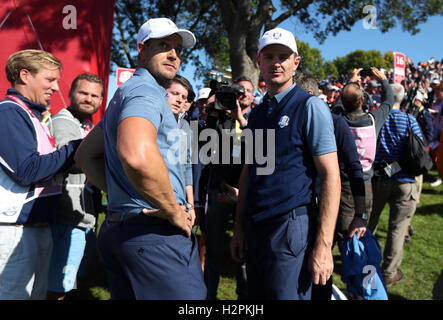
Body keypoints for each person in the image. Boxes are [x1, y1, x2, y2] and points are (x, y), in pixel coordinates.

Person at [75, 17, 206, 299]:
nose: (174, 54)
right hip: (153, 237)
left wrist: (127, 193)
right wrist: (171, 209)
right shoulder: (145, 92)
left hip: (125, 230)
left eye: (177, 48)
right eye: (163, 45)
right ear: (141, 49)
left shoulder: (126, 93)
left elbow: (86, 155)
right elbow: (135, 155)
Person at [230, 27, 340, 300]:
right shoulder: (255, 115)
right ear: (259, 61)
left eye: (283, 56)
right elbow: (249, 173)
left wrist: (324, 245)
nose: (276, 62)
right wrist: (239, 227)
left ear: (296, 62)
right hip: (256, 225)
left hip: (290, 225)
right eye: (269, 56)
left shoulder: (310, 107)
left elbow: (331, 176)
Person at [0, 49, 81, 299]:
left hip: (38, 226)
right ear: (25, 75)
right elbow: (28, 170)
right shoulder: (9, 112)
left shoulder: (33, 114)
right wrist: (77, 148)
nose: (56, 87)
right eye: (50, 79)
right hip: (14, 228)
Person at [295, 72, 366, 300]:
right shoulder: (291, 122)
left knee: (319, 269)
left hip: (325, 209)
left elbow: (355, 169)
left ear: (307, 95)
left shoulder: (336, 124)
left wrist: (360, 213)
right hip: (294, 211)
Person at [46, 73, 104, 300]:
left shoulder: (86, 125)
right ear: (70, 94)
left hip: (81, 216)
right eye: (83, 93)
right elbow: (76, 158)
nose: (88, 99)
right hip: (66, 218)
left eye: (94, 95)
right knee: (58, 289)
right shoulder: (63, 122)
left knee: (63, 284)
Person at [203, 76, 254, 300]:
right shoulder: (221, 117)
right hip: (221, 190)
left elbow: (262, 150)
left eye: (248, 91)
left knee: (246, 249)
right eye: (239, 90)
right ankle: (208, 296)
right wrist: (213, 111)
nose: (244, 94)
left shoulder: (260, 117)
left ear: (253, 96)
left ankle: (245, 297)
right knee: (213, 248)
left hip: (248, 194)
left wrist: (241, 118)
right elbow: (204, 148)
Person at [369, 83, 424, 287]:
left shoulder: (376, 117)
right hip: (404, 180)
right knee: (398, 229)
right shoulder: (409, 120)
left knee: (369, 224)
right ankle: (389, 272)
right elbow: (419, 147)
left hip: (380, 178)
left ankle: (364, 263)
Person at [334, 67, 394, 236]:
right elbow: (389, 101)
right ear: (362, 101)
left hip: (343, 181)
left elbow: (339, 103)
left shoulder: (338, 120)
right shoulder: (373, 120)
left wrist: (351, 81)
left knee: (343, 228)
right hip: (365, 182)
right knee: (360, 228)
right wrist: (383, 80)